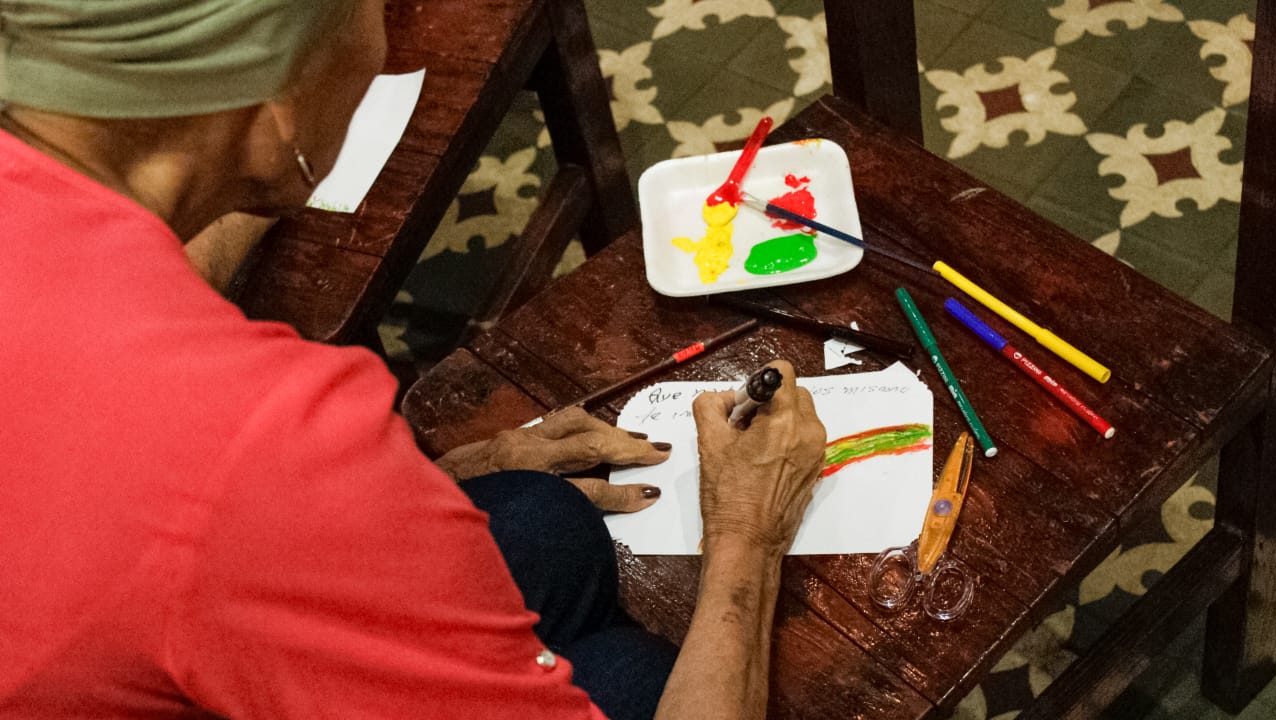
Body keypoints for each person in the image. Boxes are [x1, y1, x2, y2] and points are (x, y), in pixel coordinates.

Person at [0, 2, 827, 719]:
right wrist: (748, 533)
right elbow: (227, 497)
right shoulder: (266, 438)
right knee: (636, 677)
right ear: (279, 101)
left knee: (544, 520)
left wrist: (442, 479)